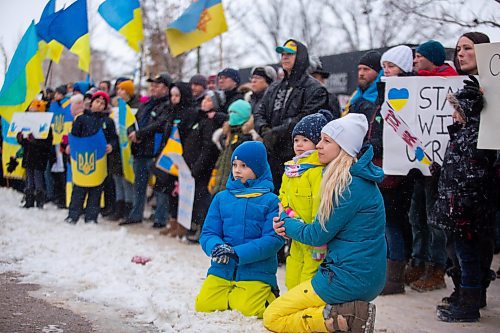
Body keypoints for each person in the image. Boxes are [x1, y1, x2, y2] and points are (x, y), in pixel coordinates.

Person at [263, 113, 385, 333]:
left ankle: (340, 318)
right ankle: (346, 312)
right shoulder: (350, 177)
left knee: (273, 316)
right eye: (320, 139)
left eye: (327, 141)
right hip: (358, 274)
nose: (318, 145)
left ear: (344, 148)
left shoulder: (348, 185)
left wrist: (284, 221)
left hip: (347, 277)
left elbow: (316, 235)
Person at [429, 76, 496, 322]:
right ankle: (468, 297)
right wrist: (441, 172)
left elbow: (474, 176)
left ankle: (469, 305)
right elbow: (458, 171)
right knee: (463, 256)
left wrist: (463, 204)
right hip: (460, 209)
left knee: (468, 258)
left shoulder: (475, 137)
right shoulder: (463, 134)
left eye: (456, 110)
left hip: (467, 212)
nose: (453, 116)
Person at [196, 141, 284, 318]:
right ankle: (233, 294)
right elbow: (208, 232)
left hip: (256, 270)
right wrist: (216, 247)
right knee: (204, 305)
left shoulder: (271, 201)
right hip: (222, 268)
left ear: (258, 168)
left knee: (247, 309)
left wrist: (237, 253)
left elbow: (273, 240)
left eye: (244, 166)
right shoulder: (221, 198)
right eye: (234, 165)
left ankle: (269, 293)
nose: (237, 170)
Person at [406, 39, 458, 292]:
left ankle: (437, 269)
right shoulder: (414, 84)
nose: (415, 60)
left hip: (440, 172)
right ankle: (417, 262)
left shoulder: (451, 82)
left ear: (433, 58)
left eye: (419, 56)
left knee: (435, 221)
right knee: (416, 217)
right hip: (418, 169)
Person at [254, 39, 330, 192]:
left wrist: (275, 133)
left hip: (298, 157)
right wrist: (264, 130)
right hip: (271, 156)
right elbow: (259, 112)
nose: (284, 57)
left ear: (301, 57)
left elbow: (306, 119)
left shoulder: (315, 88)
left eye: (289, 54)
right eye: (282, 54)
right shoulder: (274, 87)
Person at [377, 45, 416, 295]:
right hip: (384, 167)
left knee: (394, 223)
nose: (386, 71)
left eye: (391, 66)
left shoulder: (412, 92)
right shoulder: (385, 92)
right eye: (384, 67)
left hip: (400, 172)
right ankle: (389, 273)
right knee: (387, 223)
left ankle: (395, 277)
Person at [279, 112, 330, 290]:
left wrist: (318, 232)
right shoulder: (292, 169)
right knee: (293, 265)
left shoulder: (317, 171)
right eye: (296, 140)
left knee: (311, 271)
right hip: (295, 230)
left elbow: (319, 201)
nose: (299, 144)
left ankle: (305, 305)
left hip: (313, 235)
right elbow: (283, 194)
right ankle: (291, 298)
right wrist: (285, 212)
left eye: (305, 140)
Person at [120, 72, 172, 225]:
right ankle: (136, 214)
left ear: (166, 88)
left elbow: (160, 124)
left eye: (157, 85)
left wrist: (140, 133)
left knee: (159, 187)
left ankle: (161, 218)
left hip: (155, 151)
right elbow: (133, 121)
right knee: (139, 185)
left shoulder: (167, 105)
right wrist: (131, 132)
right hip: (140, 150)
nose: (153, 88)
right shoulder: (146, 104)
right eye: (152, 85)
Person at [65, 92, 118, 224]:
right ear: (92, 102)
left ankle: (91, 216)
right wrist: (71, 146)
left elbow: (113, 138)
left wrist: (111, 145)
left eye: (102, 103)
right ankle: (73, 214)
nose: (99, 105)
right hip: (83, 158)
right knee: (79, 188)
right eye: (97, 102)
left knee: (96, 189)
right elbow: (74, 135)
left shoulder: (108, 121)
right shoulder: (81, 118)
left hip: (99, 160)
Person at [210, 99, 256, 195]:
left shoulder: (249, 138)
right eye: (230, 112)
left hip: (235, 191)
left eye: (234, 112)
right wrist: (214, 176)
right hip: (220, 188)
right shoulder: (228, 135)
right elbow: (222, 160)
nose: (231, 115)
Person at [16, 100, 53, 208]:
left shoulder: (47, 127)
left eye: (35, 112)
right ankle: (29, 200)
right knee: (29, 180)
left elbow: (46, 144)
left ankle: (39, 202)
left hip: (39, 158)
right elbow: (24, 143)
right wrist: (20, 139)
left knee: (38, 180)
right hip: (29, 157)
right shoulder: (27, 125)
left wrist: (34, 141)